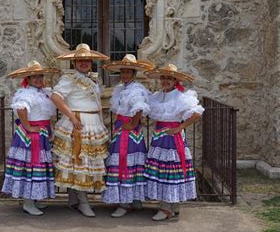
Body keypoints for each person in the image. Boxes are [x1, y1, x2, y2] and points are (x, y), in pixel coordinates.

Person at [51, 43, 110, 217]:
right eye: (80, 60)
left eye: (87, 60)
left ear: (91, 62)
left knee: (82, 162)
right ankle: (83, 202)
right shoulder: (69, 79)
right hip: (79, 123)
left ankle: (73, 199)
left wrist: (101, 121)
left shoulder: (92, 79)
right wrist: (71, 116)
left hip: (92, 123)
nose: (84, 63)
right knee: (79, 162)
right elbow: (55, 97)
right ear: (74, 62)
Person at [144, 64, 204, 221]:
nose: (165, 81)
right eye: (163, 77)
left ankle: (165, 208)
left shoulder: (181, 96)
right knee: (163, 170)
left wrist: (180, 127)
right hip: (159, 137)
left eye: (169, 78)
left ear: (175, 80)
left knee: (169, 171)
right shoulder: (157, 95)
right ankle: (173, 206)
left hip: (171, 139)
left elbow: (197, 113)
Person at [1, 60, 60, 216]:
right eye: (35, 77)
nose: (38, 79)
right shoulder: (26, 93)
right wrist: (28, 127)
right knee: (31, 166)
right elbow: (21, 108)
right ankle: (28, 202)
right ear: (28, 79)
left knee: (39, 165)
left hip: (41, 133)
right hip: (31, 136)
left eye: (40, 76)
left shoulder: (42, 92)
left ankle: (35, 198)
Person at [102, 54, 155, 218]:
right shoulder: (122, 88)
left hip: (129, 132)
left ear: (134, 73)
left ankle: (126, 203)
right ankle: (133, 200)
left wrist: (132, 123)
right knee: (131, 163)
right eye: (122, 72)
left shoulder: (136, 89)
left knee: (125, 163)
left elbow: (139, 106)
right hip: (122, 129)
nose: (124, 75)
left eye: (128, 72)